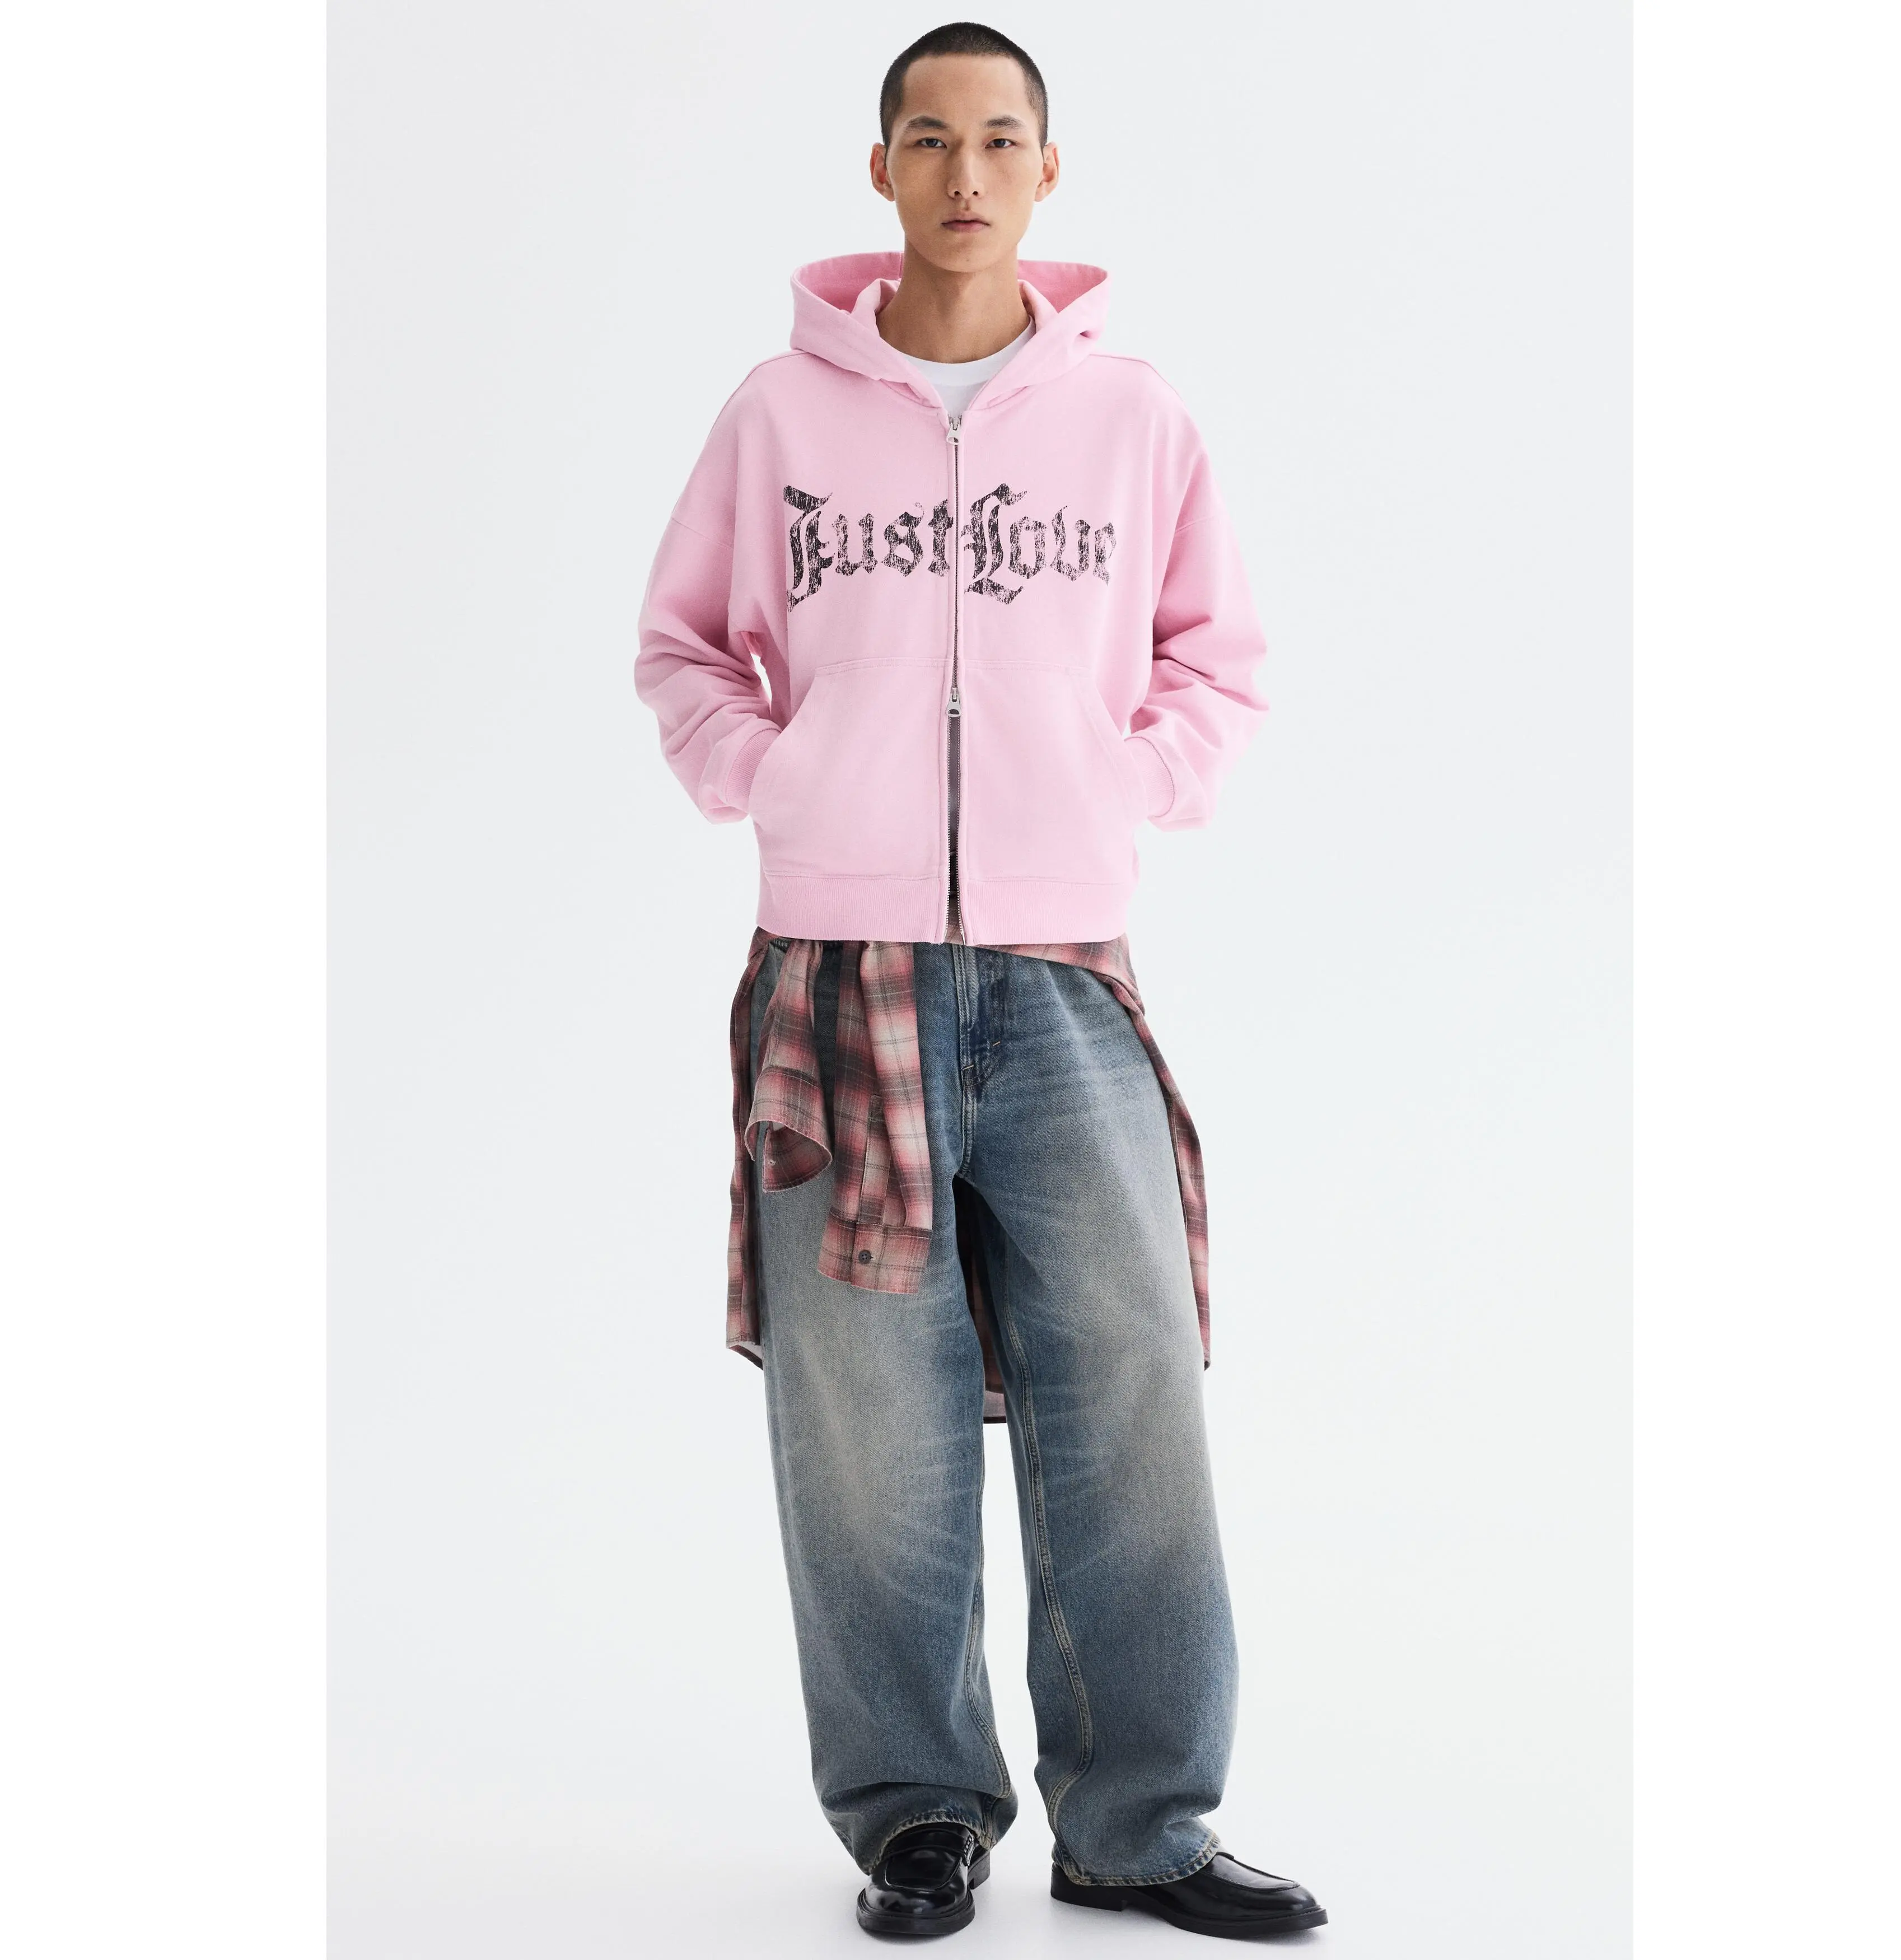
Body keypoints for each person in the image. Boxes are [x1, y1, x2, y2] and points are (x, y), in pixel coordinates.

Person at [635, 21, 1326, 1943]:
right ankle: (918, 1815)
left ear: (1045, 168)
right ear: (880, 170)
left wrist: (1123, 786)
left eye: (999, 138)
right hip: (831, 973)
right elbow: (683, 648)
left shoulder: (1133, 418)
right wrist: (777, 779)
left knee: (1130, 1391)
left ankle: (1141, 1824)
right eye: (928, 139)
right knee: (868, 1422)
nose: (963, 172)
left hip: (1060, 973)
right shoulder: (778, 414)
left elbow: (1217, 657)